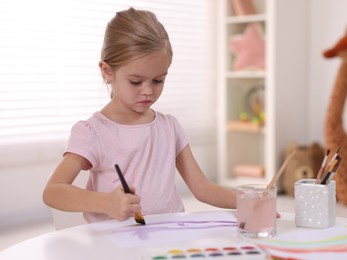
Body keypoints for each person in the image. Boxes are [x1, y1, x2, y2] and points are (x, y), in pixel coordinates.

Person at [42, 7, 236, 223]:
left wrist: (249, 200)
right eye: (136, 81)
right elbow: (53, 192)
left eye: (158, 80)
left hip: (167, 239)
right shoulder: (93, 132)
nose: (148, 91)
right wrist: (106, 202)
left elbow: (202, 188)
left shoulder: (169, 127)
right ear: (107, 72)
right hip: (114, 244)